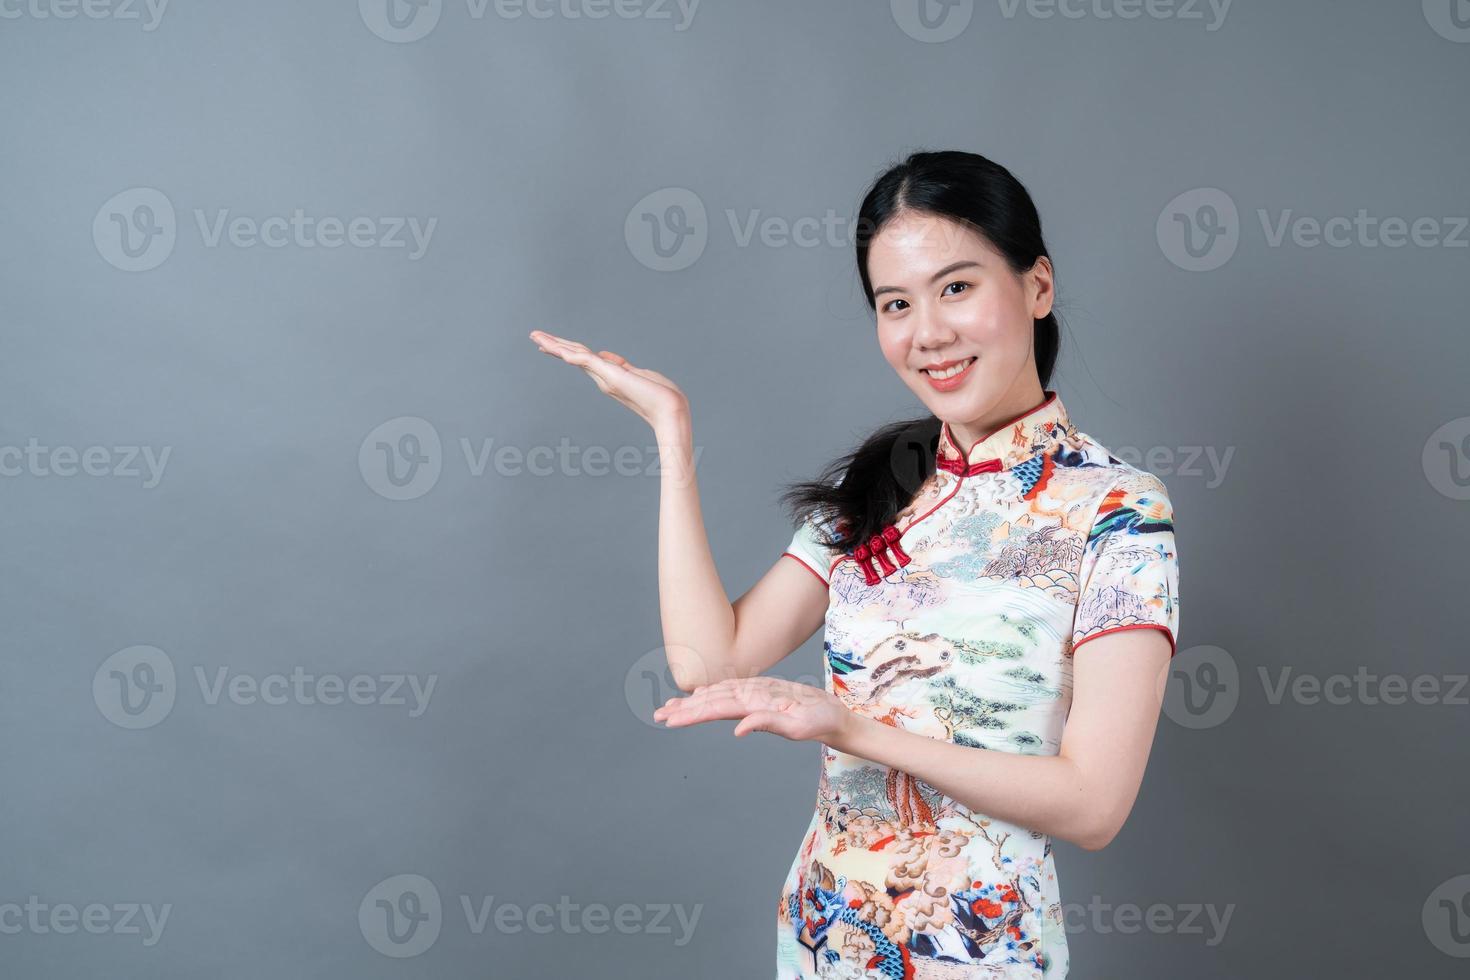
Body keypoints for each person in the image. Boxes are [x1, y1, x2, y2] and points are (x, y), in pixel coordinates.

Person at [529, 149, 1180, 979]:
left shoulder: (1116, 509)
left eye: (957, 287)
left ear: (1037, 287)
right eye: (895, 304)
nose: (928, 333)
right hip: (822, 939)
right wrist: (672, 434)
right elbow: (708, 662)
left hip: (979, 954)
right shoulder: (878, 481)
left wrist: (851, 729)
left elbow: (1093, 805)